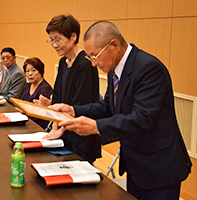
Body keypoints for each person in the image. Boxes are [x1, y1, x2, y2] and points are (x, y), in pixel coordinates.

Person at [46, 20, 192, 200]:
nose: (93, 63)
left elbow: (142, 117)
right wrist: (73, 110)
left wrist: (96, 127)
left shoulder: (148, 68)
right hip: (136, 164)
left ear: (113, 45)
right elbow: (108, 106)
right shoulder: (115, 68)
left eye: (94, 56)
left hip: (159, 167)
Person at [36, 14, 101, 164]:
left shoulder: (85, 64)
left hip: (79, 137)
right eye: (51, 40)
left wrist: (59, 130)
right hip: (63, 131)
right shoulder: (63, 62)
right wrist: (54, 126)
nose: (54, 44)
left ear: (73, 37)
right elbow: (57, 97)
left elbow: (79, 106)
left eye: (58, 39)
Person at [20, 57, 53, 129]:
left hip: (37, 125)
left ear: (40, 71)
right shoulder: (27, 86)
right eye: (27, 71)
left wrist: (23, 112)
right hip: (25, 120)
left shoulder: (45, 88)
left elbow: (41, 114)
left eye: (33, 70)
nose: (30, 74)